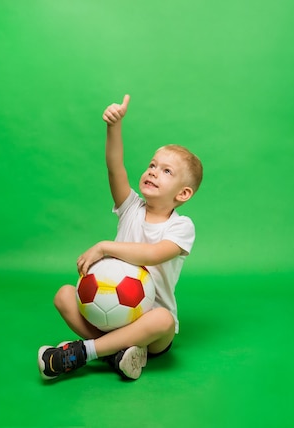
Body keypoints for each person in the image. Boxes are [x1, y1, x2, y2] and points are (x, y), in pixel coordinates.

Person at [38, 94, 203, 381]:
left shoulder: (181, 227)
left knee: (163, 319)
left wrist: (104, 247)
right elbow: (115, 167)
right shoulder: (131, 208)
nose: (153, 171)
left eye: (166, 171)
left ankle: (82, 353)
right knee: (64, 295)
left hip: (150, 333)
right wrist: (114, 127)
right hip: (108, 317)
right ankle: (117, 355)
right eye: (152, 164)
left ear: (182, 194)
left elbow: (152, 255)